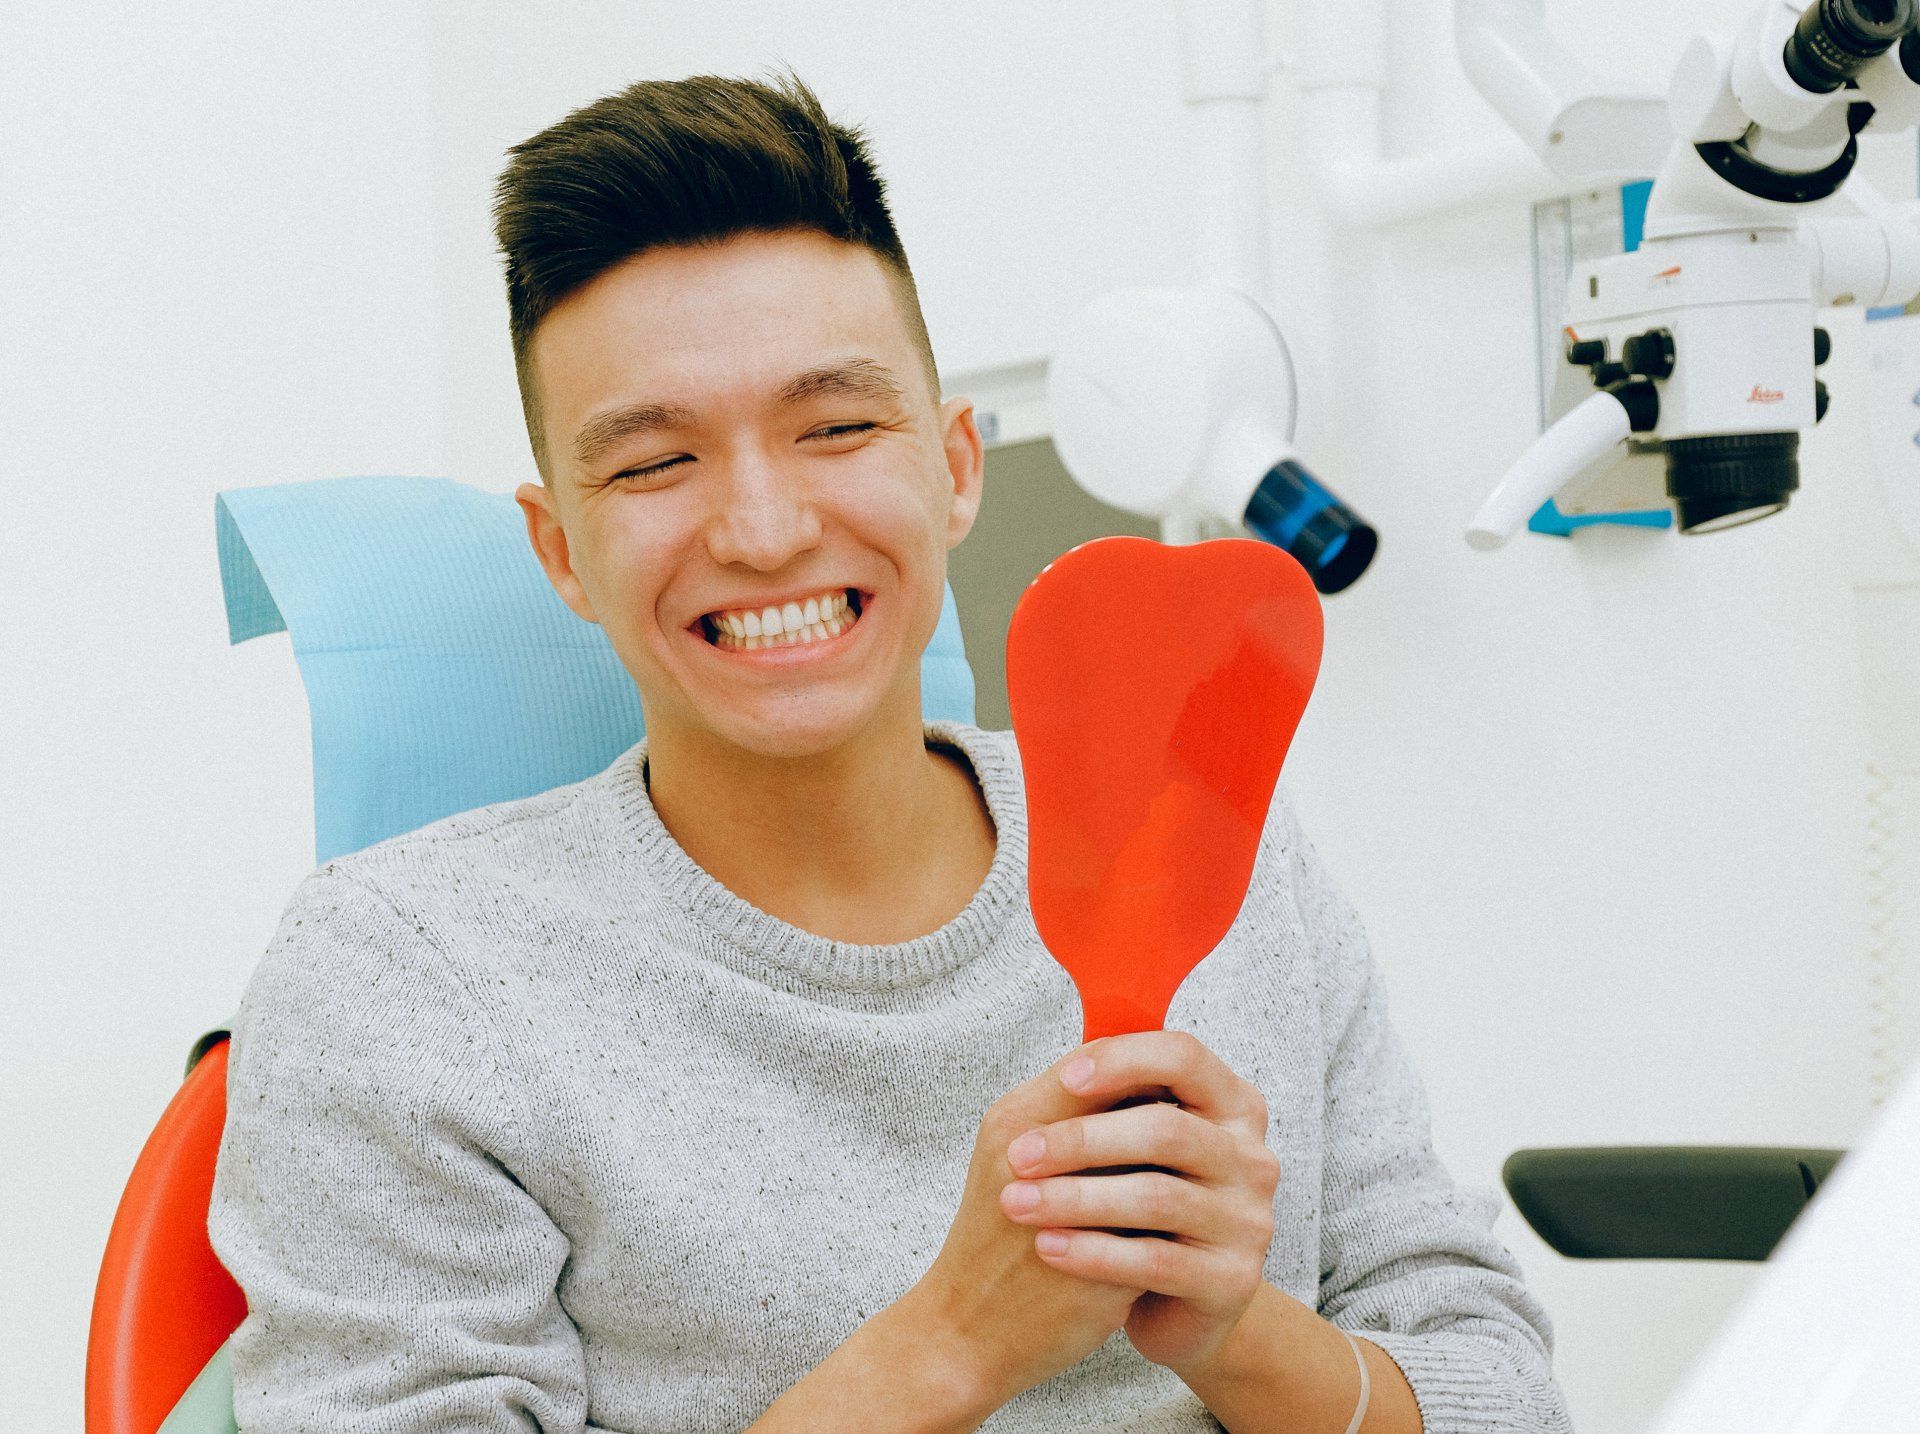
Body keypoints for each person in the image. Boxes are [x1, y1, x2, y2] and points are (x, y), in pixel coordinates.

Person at [208, 68, 1572, 1433]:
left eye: (838, 427)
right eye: (652, 463)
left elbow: (1502, 1390)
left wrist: (1237, 1330)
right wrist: (951, 1343)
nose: (760, 527)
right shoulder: (402, 980)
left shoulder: (1226, 860)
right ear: (562, 549)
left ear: (957, 465)